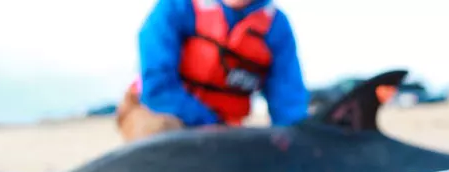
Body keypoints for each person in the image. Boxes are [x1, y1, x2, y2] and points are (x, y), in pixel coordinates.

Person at [116, 0, 310, 141]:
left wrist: (294, 140)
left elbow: (289, 108)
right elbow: (157, 87)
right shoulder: (176, 6)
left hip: (224, 128)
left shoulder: (277, 27)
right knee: (161, 136)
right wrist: (208, 122)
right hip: (155, 111)